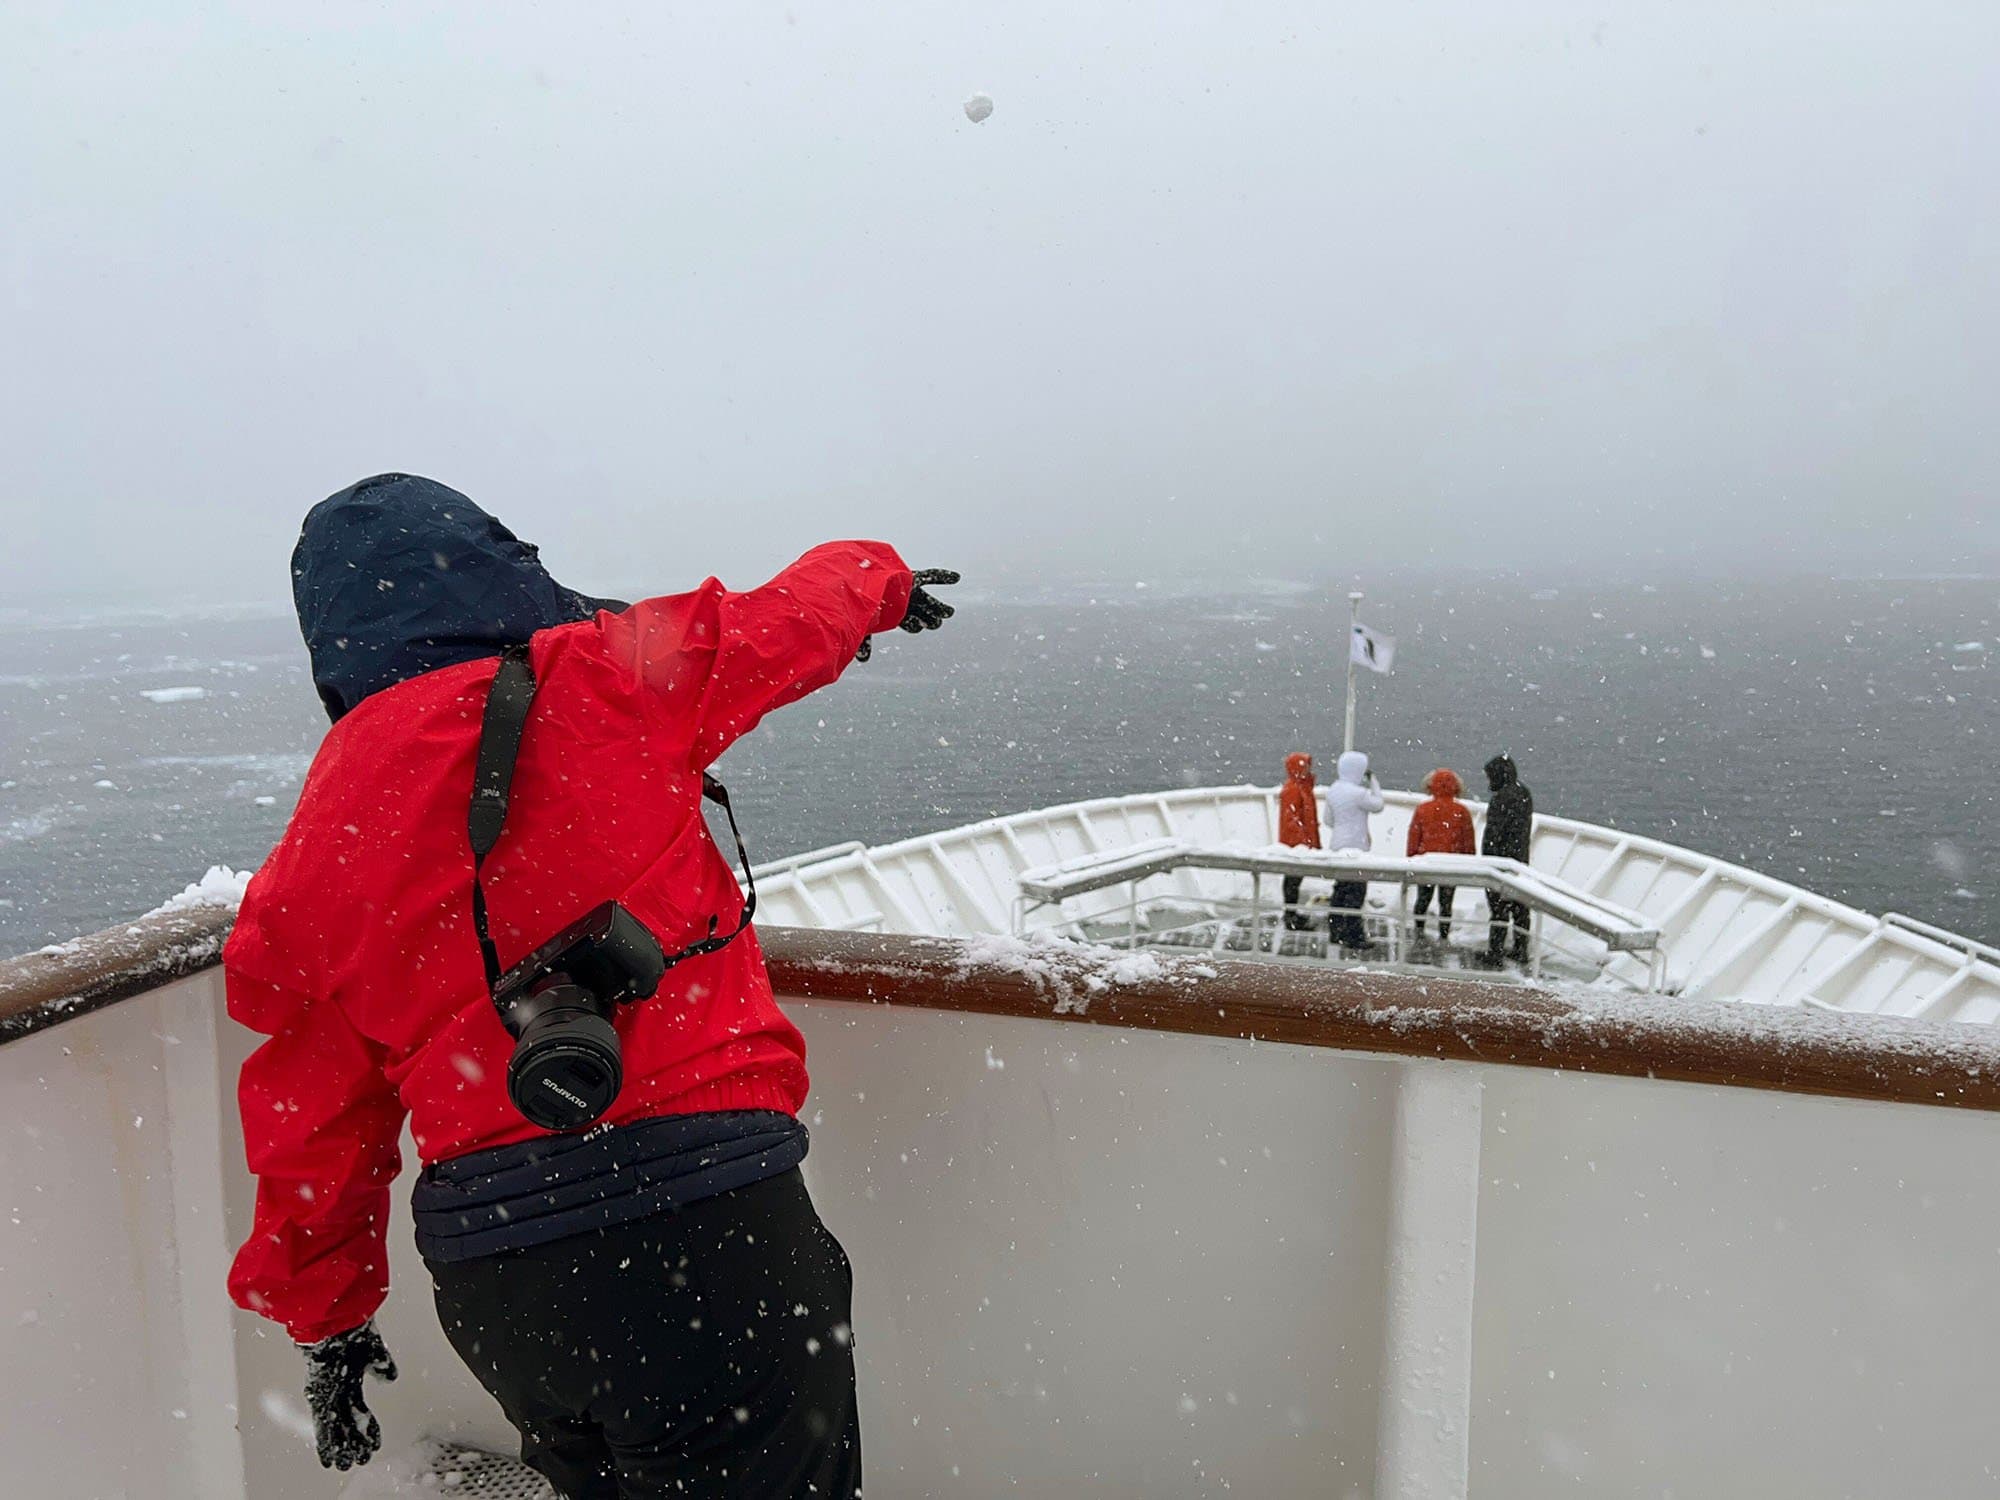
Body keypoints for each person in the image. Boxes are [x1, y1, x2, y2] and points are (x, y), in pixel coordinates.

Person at [224, 473, 957, 1498]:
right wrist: (879, 580)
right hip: (709, 1236)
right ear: (497, 567)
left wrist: (328, 1320)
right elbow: (787, 617)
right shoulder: (605, 679)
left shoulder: (306, 859)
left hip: (502, 1288)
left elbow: (313, 1128)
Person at [1324, 749, 1385, 950]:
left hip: (1338, 845)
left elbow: (1328, 820)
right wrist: (1374, 781)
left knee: (1340, 890)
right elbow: (1378, 805)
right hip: (1356, 848)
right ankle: (1354, 936)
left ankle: (1335, 931)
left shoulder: (1334, 789)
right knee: (1355, 893)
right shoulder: (1358, 793)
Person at [1406, 767, 1475, 942]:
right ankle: (1444, 936)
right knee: (1446, 903)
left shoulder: (1423, 809)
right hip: (1450, 864)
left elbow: (1414, 837)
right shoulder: (1462, 811)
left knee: (1423, 899)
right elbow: (1468, 840)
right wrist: (1469, 860)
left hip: (1427, 863)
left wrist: (1411, 858)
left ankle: (1419, 932)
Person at [1481, 753, 1536, 964]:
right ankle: (1520, 949)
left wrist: (1488, 858)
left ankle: (1495, 951)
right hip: (1519, 858)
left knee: (1498, 909)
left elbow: (1494, 834)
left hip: (1500, 861)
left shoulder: (1501, 799)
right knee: (1520, 907)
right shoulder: (1523, 793)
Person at [1275, 751, 1321, 930]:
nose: (1309, 769)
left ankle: (1291, 914)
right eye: (1306, 765)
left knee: (1294, 880)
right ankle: (1290, 916)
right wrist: (1303, 842)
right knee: (1292, 880)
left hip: (1299, 843)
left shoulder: (1301, 787)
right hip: (1296, 845)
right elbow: (1292, 820)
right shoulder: (1294, 789)